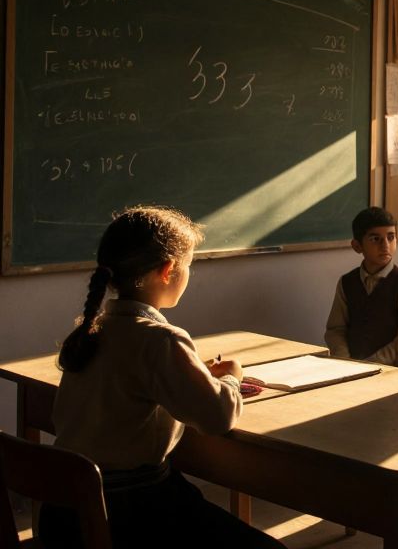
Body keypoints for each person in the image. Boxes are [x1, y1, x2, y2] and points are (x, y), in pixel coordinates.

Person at [37, 206, 286, 549]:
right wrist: (230, 377)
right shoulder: (160, 338)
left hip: (66, 514)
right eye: (189, 266)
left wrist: (191, 373)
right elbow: (217, 418)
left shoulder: (94, 329)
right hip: (129, 513)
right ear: (168, 270)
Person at [324, 206, 398, 365]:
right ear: (357, 246)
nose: (385, 245)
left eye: (390, 237)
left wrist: (372, 363)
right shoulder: (347, 282)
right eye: (375, 239)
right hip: (351, 368)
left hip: (393, 372)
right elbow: (335, 330)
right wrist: (345, 360)